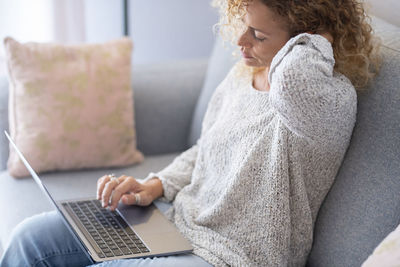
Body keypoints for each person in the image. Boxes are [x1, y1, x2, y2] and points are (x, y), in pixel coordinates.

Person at [0, 0, 380, 266]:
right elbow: (205, 150)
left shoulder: (325, 100)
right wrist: (156, 185)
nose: (240, 42)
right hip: (174, 219)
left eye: (259, 35)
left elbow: (294, 79)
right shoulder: (242, 76)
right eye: (243, 25)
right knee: (30, 239)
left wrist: (322, 33)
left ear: (307, 40)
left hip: (231, 257)